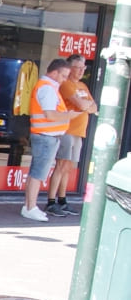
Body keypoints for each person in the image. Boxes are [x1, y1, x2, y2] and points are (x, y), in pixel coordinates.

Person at [45, 54, 98, 217]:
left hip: (79, 132)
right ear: (70, 68)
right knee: (61, 166)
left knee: (68, 168)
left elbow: (94, 107)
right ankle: (51, 201)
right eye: (78, 67)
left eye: (84, 67)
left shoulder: (82, 85)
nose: (82, 71)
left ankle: (62, 200)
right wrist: (85, 105)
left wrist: (86, 105)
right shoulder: (67, 85)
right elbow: (83, 104)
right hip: (67, 130)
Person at [21, 58, 74, 221]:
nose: (65, 79)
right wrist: (69, 116)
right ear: (54, 72)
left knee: (35, 172)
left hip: (44, 135)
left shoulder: (48, 87)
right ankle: (31, 207)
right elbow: (50, 114)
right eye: (63, 75)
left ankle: (29, 205)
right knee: (38, 173)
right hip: (46, 136)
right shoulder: (48, 88)